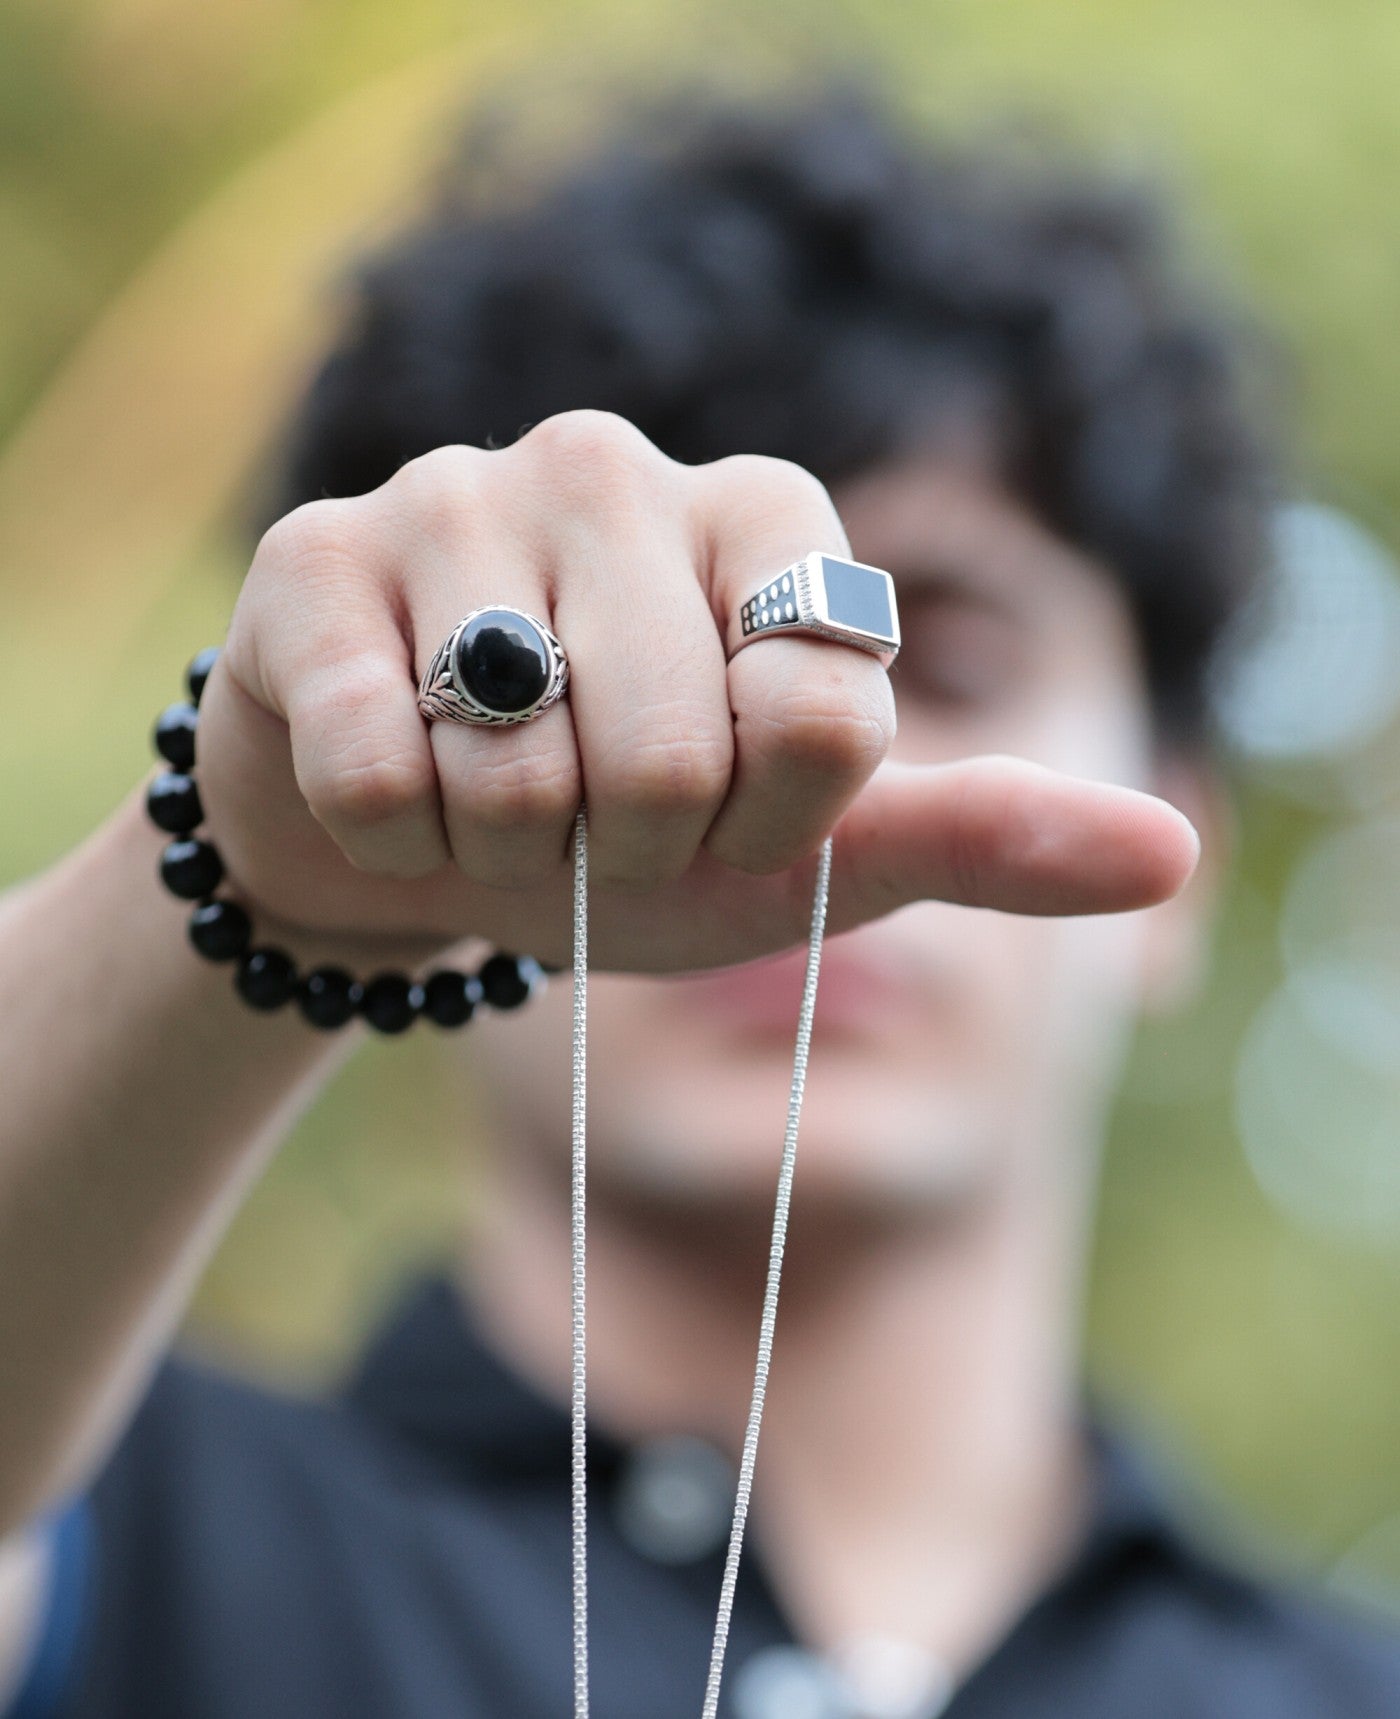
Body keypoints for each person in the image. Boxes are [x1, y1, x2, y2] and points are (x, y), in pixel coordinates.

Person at [2, 77, 1398, 1719]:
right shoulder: (122, 1515)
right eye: (609, 668)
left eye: (943, 662)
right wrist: (256, 890)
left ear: (1187, 851)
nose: (788, 778)